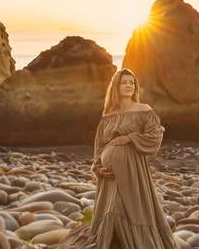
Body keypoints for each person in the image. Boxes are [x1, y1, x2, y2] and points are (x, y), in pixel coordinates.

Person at [58, 68, 177, 249]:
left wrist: (130, 138)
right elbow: (100, 146)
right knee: (111, 209)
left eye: (132, 83)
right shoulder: (108, 115)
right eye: (124, 82)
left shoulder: (144, 110)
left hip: (132, 169)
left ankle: (135, 242)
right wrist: (98, 168)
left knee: (122, 206)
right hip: (109, 174)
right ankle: (113, 242)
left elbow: (155, 137)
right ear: (116, 86)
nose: (128, 86)